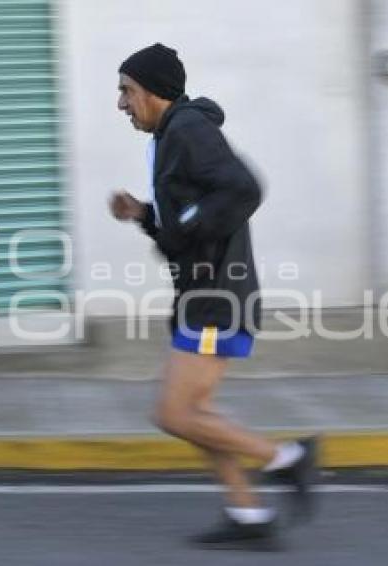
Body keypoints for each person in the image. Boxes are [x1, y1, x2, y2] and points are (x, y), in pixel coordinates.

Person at [109, 43, 317, 547]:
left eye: (127, 91)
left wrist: (184, 224)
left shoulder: (188, 129)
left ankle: (287, 460)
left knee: (175, 414)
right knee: (197, 415)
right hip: (203, 294)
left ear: (155, 91)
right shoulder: (169, 135)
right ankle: (247, 514)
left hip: (216, 298)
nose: (120, 103)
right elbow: (184, 231)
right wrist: (146, 216)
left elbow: (243, 189)